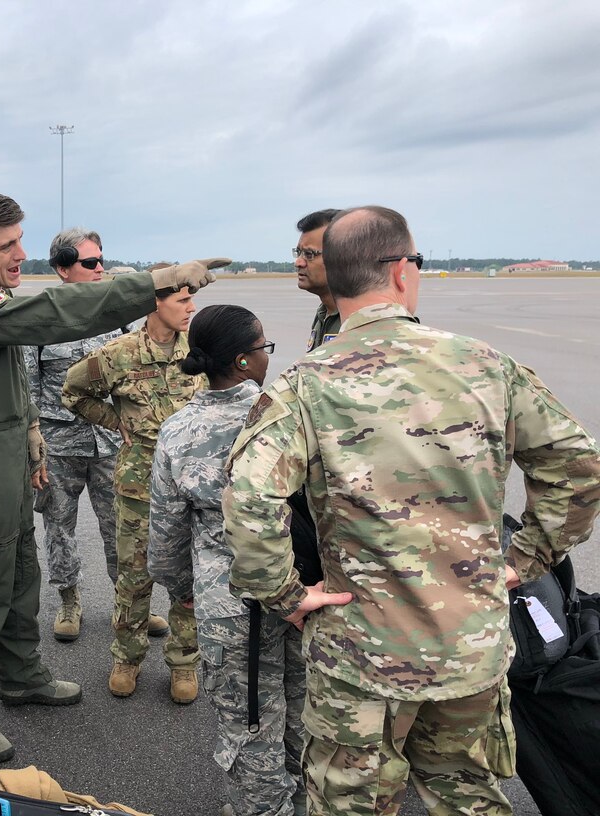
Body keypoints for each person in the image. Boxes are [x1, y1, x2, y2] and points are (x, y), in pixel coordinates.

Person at [224, 205, 600, 816]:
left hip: (359, 651)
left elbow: (248, 498)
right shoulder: (485, 365)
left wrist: (287, 596)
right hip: (470, 644)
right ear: (401, 271)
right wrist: (526, 557)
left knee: (350, 803)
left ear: (337, 278)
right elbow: (579, 465)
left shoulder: (302, 383)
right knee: (466, 795)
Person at [0, 188, 225, 763]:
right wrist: (154, 282)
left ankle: (22, 677)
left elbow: (12, 377)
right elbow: (55, 314)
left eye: (20, 241)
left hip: (8, 449)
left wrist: (32, 433)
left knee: (18, 574)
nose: (20, 254)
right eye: (7, 246)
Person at [150, 305, 305, 816]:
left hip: (228, 600)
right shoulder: (290, 417)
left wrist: (182, 589)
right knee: (307, 712)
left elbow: (167, 533)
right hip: (305, 592)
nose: (267, 358)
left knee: (250, 722)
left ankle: (265, 809)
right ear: (242, 360)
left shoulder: (177, 431)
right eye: (264, 349)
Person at [22, 227, 168, 643]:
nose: (100, 268)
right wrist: (34, 446)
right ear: (63, 269)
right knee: (58, 526)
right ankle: (69, 601)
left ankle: (131, 605)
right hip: (58, 445)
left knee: (123, 527)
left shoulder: (116, 318)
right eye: (90, 263)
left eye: (101, 259)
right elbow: (28, 386)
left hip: (110, 443)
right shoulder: (39, 319)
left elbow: (134, 377)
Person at [62, 284, 205, 703]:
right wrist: (112, 420)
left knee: (188, 576)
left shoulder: (200, 349)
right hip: (138, 482)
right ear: (155, 303)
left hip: (189, 484)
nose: (191, 308)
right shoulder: (117, 353)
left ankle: (183, 663)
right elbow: (73, 392)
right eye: (182, 300)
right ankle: (127, 657)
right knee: (133, 576)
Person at [292, 209, 341, 351]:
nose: (298, 262)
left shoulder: (360, 320)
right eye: (298, 253)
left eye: (309, 254)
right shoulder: (324, 313)